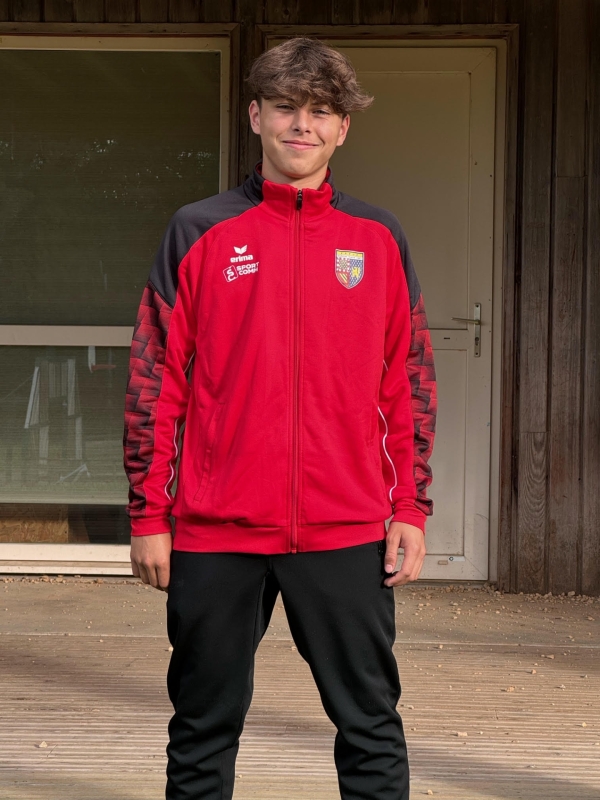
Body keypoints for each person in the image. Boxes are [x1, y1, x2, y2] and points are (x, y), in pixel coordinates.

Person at [123, 37, 436, 800]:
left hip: (347, 527)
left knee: (369, 725)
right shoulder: (198, 230)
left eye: (321, 112)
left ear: (342, 129)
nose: (304, 125)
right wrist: (149, 515)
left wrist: (410, 507)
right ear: (257, 115)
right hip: (214, 528)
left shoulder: (378, 238)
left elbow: (409, 383)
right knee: (201, 730)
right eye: (288, 107)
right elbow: (154, 380)